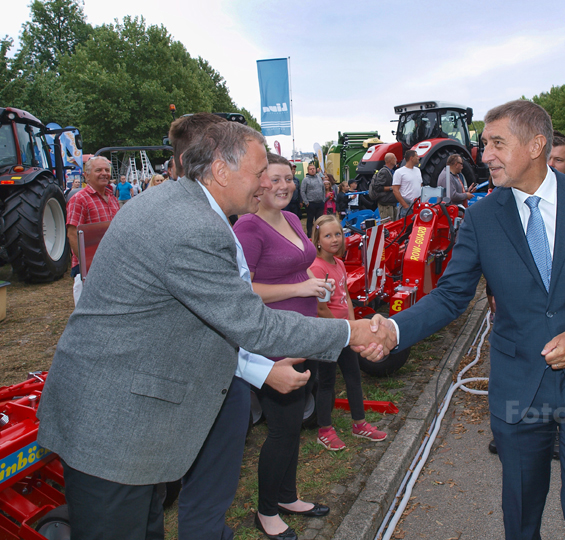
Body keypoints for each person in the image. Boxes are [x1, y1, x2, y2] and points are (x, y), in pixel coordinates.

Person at [37, 118, 390, 540]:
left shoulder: (185, 207)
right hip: (114, 428)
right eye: (259, 172)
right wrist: (351, 333)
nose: (264, 183)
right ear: (222, 171)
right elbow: (251, 323)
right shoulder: (192, 227)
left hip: (132, 421)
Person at [367, 100, 565, 540]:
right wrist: (395, 328)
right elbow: (452, 295)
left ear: (536, 145)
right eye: (484, 144)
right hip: (519, 389)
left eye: (497, 143)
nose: (485, 154)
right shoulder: (481, 215)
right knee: (520, 513)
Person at [232, 152, 339, 540]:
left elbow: (300, 265)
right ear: (258, 183)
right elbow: (240, 292)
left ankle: (288, 496)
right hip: (273, 342)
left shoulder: (293, 218)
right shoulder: (248, 228)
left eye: (288, 179)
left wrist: (317, 285)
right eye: (274, 179)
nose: (283, 186)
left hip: (301, 334)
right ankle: (266, 511)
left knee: (293, 424)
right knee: (281, 429)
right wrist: (300, 288)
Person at [310, 215, 387, 451]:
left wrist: (353, 328)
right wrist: (342, 331)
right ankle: (324, 429)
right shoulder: (317, 268)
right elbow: (321, 308)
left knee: (354, 377)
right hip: (329, 334)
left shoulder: (339, 263)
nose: (335, 239)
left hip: (345, 332)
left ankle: (359, 423)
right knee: (327, 382)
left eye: (338, 234)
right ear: (318, 240)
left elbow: (347, 299)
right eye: (328, 235)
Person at [66, 156, 120, 280]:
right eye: (98, 170)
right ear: (87, 176)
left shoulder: (112, 198)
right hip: (89, 267)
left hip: (111, 263)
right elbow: (73, 234)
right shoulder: (79, 199)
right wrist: (87, 264)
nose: (104, 174)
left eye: (107, 170)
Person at [392, 150, 422, 218]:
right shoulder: (399, 172)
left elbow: (420, 186)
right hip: (407, 207)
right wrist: (405, 206)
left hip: (417, 206)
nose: (418, 158)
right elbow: (395, 190)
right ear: (411, 158)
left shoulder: (418, 170)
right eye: (416, 156)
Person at [370, 153, 399, 220]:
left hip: (391, 203)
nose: (396, 160)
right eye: (394, 158)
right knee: (387, 225)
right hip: (385, 204)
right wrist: (392, 188)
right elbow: (377, 187)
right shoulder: (383, 172)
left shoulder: (391, 171)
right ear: (390, 160)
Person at [301, 163, 325, 236]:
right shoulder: (305, 180)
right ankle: (310, 234)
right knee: (310, 220)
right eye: (310, 169)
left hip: (320, 203)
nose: (312, 170)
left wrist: (323, 200)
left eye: (313, 169)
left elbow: (323, 189)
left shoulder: (319, 178)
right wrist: (306, 202)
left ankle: (318, 233)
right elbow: (302, 191)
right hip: (310, 203)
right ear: (308, 170)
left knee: (319, 220)